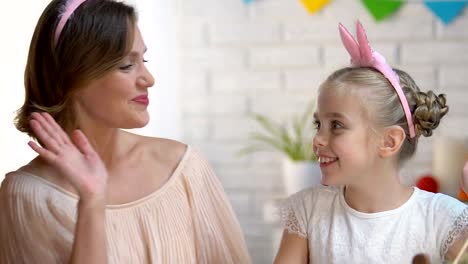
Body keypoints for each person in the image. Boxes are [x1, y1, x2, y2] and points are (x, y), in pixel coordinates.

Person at [0, 0, 251, 263]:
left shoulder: (183, 168)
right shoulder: (26, 195)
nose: (149, 79)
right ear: (73, 78)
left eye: (143, 59)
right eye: (126, 65)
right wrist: (92, 200)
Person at [274, 21, 468, 264]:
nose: (318, 139)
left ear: (389, 141)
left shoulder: (443, 218)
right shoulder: (307, 212)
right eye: (318, 125)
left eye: (336, 125)